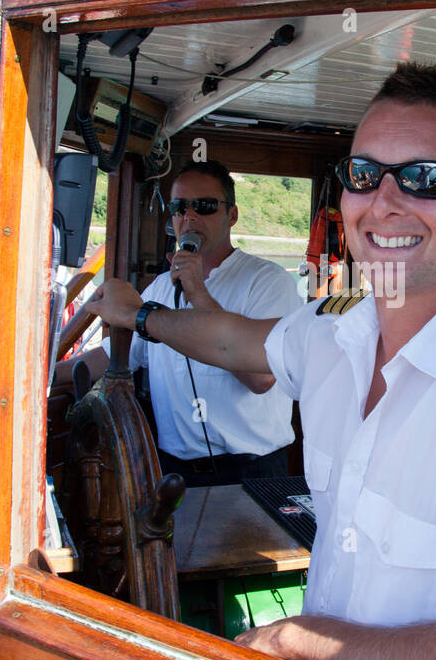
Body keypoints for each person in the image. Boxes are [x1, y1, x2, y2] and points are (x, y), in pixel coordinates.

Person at [93, 64, 436, 660]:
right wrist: (143, 319)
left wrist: (294, 639)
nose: (384, 201)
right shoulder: (335, 328)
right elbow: (235, 342)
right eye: (362, 175)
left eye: (425, 179)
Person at [101, 159, 302, 485]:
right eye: (179, 207)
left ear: (231, 215)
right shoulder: (162, 287)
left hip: (251, 469)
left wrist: (197, 292)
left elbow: (262, 378)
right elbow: (121, 353)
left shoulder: (268, 282)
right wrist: (49, 372)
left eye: (204, 206)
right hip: (174, 470)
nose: (189, 216)